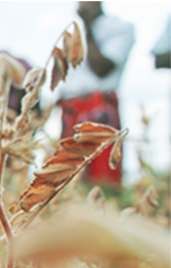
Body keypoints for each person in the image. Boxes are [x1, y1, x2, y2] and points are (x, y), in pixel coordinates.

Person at [58, 2, 134, 188]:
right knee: (67, 177)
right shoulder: (74, 34)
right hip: (71, 107)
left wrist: (89, 27)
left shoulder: (120, 28)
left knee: (103, 176)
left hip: (99, 105)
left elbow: (101, 68)